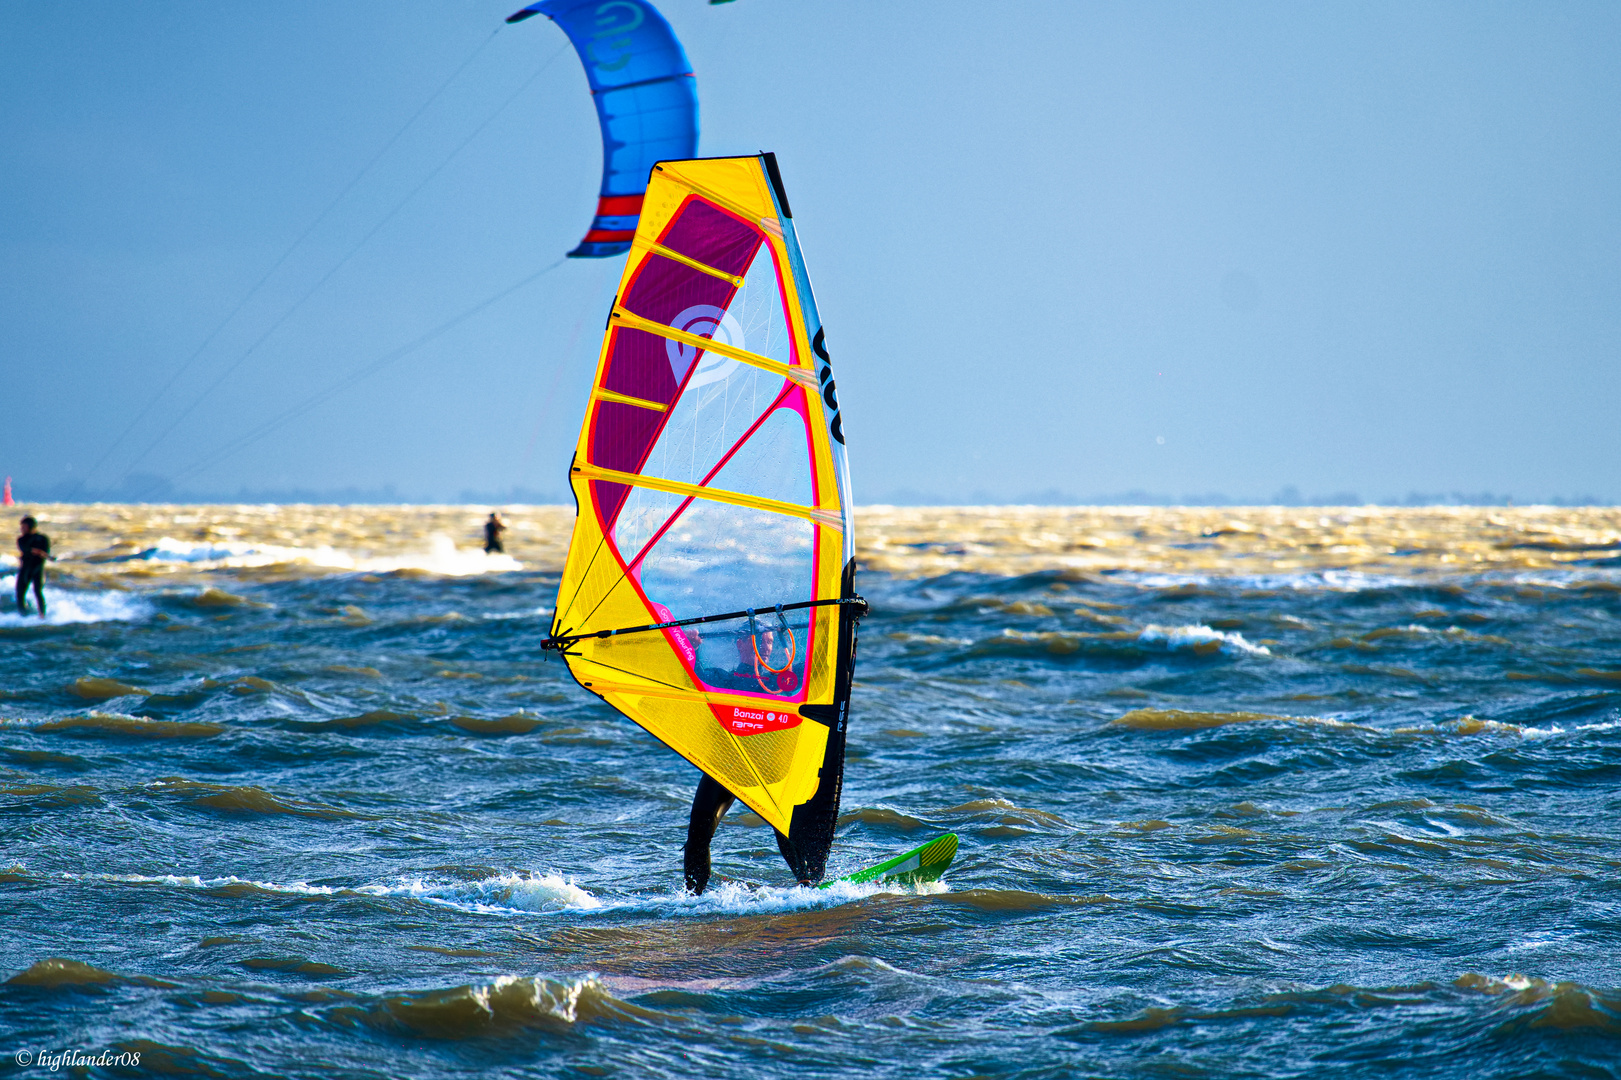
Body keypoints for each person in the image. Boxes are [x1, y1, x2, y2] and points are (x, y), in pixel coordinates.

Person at [15, 515, 50, 618]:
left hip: (38, 568)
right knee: (20, 592)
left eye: (24, 527)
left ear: (30, 526)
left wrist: (41, 553)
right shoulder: (21, 539)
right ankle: (22, 615)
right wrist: (34, 551)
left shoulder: (43, 538)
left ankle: (42, 616)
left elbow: (46, 551)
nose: (22, 529)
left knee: (38, 592)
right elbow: (24, 548)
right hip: (25, 569)